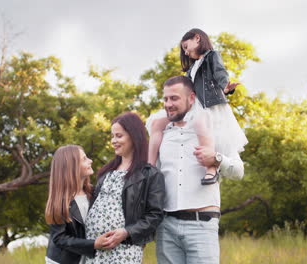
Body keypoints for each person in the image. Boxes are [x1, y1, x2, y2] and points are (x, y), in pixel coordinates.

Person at [153, 76, 245, 264]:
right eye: (165, 99)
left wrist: (217, 159)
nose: (168, 104)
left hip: (201, 226)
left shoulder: (214, 129)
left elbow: (239, 171)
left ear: (192, 98)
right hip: (166, 227)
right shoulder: (161, 134)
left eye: (174, 98)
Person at [147, 28, 247, 185]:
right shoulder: (192, 68)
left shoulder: (212, 56)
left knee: (214, 137)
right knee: (157, 121)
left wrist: (225, 87)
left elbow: (220, 73)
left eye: (186, 47)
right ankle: (150, 166)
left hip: (210, 105)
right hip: (194, 105)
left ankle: (211, 170)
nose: (186, 53)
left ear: (197, 38)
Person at [85, 112, 165, 264]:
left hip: (124, 251)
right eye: (112, 136)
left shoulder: (150, 174)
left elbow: (155, 215)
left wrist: (126, 232)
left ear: (133, 136)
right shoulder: (106, 172)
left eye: (119, 136)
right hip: (95, 251)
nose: (114, 141)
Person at [45, 145, 110, 264]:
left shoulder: (93, 193)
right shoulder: (60, 202)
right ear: (72, 167)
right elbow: (60, 239)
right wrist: (94, 244)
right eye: (84, 159)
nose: (91, 160)